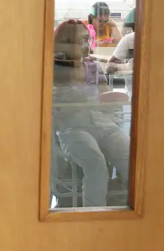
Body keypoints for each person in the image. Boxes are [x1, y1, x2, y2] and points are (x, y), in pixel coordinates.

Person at [52, 20, 130, 208]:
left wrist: (113, 101)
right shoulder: (55, 68)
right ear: (67, 42)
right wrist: (69, 96)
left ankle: (127, 207)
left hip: (102, 123)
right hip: (72, 127)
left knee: (132, 159)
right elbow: (51, 100)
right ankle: (95, 214)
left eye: (88, 39)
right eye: (81, 40)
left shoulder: (93, 67)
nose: (86, 44)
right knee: (96, 164)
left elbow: (105, 95)